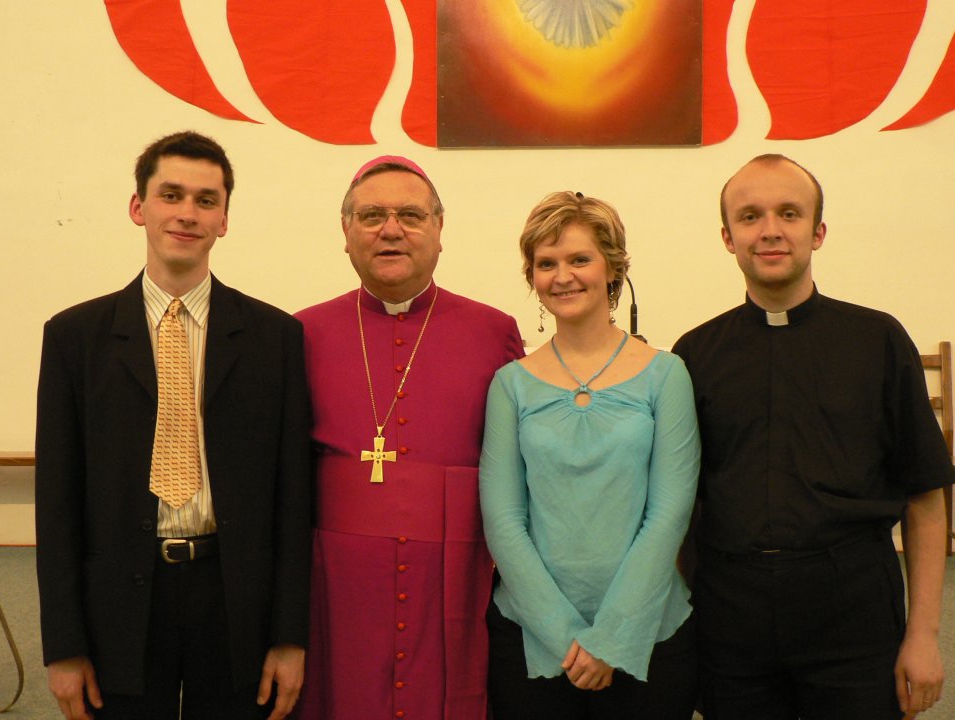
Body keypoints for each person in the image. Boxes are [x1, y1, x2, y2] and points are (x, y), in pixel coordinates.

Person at [35, 131, 312, 720]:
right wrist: (63, 646)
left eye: (206, 201)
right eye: (171, 195)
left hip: (236, 604)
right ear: (138, 207)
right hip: (119, 607)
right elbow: (56, 505)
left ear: (224, 220)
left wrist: (290, 638)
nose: (188, 213)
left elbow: (293, 501)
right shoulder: (74, 339)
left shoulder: (276, 339)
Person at [672, 154, 953, 720]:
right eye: (750, 216)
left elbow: (925, 498)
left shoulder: (877, 340)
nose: (770, 230)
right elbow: (679, 507)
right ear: (727, 238)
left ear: (818, 232)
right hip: (732, 613)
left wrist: (924, 635)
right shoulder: (694, 354)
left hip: (853, 608)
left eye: (789, 213)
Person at [292, 156, 524, 720]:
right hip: (336, 591)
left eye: (411, 216)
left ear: (439, 229)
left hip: (454, 583)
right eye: (372, 215)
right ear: (345, 231)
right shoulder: (300, 333)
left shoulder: (493, 332)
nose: (391, 229)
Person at [478, 191, 701, 720]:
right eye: (546, 263)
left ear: (613, 267)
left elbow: (669, 514)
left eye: (579, 259)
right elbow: (503, 521)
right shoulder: (510, 384)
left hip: (650, 635)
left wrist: (611, 639)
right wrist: (565, 637)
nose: (563, 277)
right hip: (533, 639)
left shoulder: (667, 374)